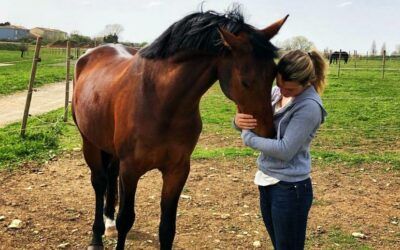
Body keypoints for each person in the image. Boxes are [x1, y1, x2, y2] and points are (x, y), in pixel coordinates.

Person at [234, 50, 328, 250]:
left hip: (290, 188)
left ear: (307, 82)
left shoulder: (309, 107)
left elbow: (285, 150)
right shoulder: (277, 93)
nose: (282, 91)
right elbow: (256, 117)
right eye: (279, 84)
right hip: (267, 180)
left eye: (290, 89)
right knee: (280, 245)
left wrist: (248, 137)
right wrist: (238, 121)